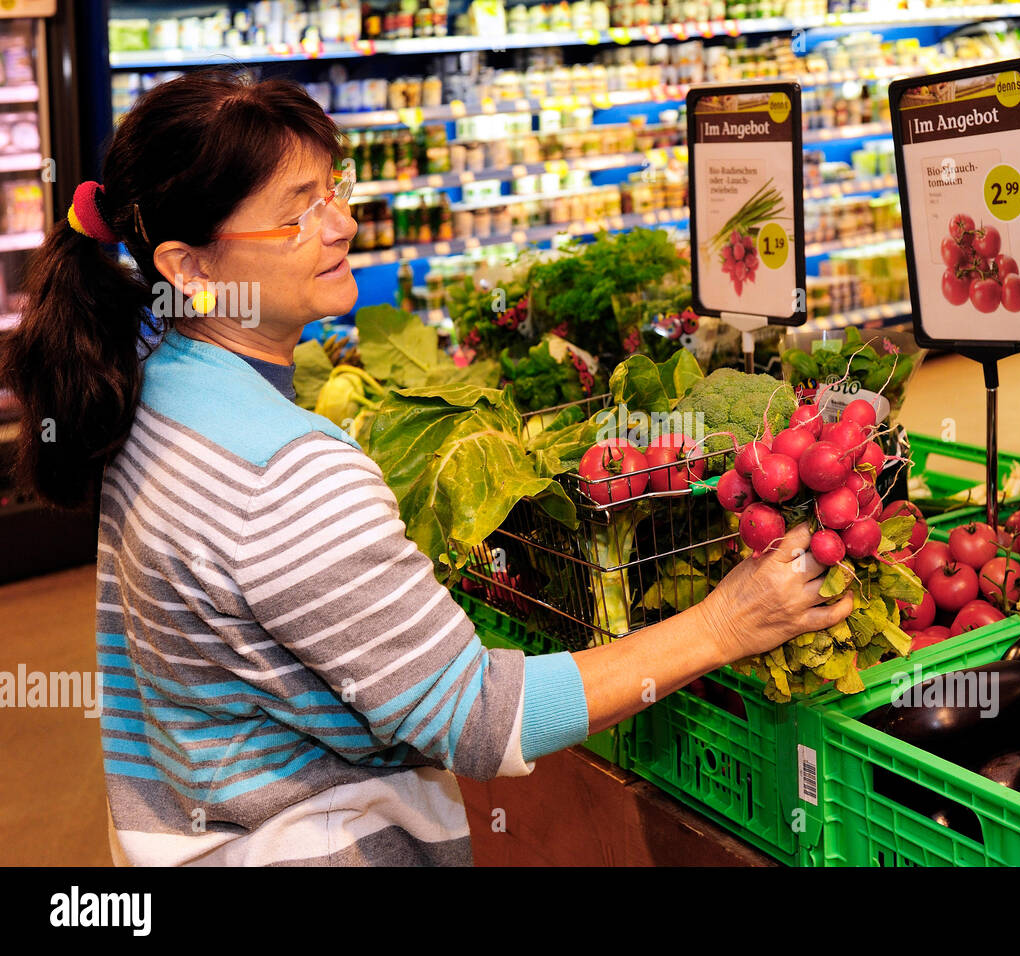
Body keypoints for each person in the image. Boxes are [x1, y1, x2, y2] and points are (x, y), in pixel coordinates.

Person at [0, 70, 852, 866]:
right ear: (189, 268)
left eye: (332, 190)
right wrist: (723, 625)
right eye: (295, 212)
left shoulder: (141, 387)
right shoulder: (288, 472)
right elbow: (480, 718)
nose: (339, 224)